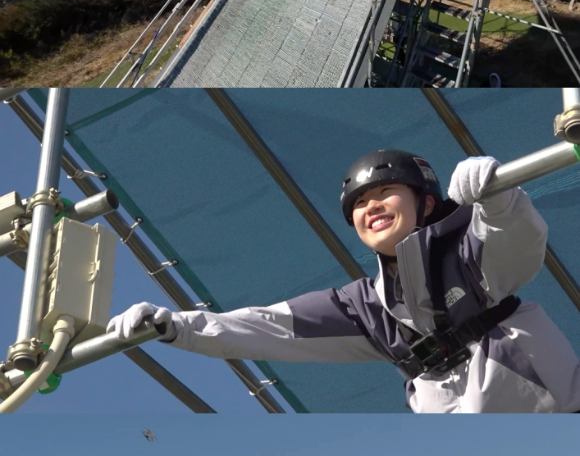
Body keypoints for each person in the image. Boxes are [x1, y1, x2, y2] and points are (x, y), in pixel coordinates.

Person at [107, 151, 580, 416]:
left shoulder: (466, 250)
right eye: (359, 204)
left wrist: (498, 198)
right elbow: (262, 327)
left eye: (385, 193)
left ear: (428, 205)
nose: (370, 207)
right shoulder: (364, 306)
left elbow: (516, 243)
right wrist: (175, 327)